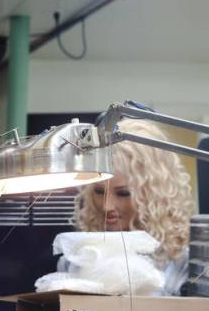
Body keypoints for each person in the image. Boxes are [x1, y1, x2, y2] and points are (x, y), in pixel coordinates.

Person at [72, 118, 195, 295]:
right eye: (99, 192)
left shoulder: (183, 264)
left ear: (154, 193)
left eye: (123, 193)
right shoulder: (80, 257)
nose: (107, 207)